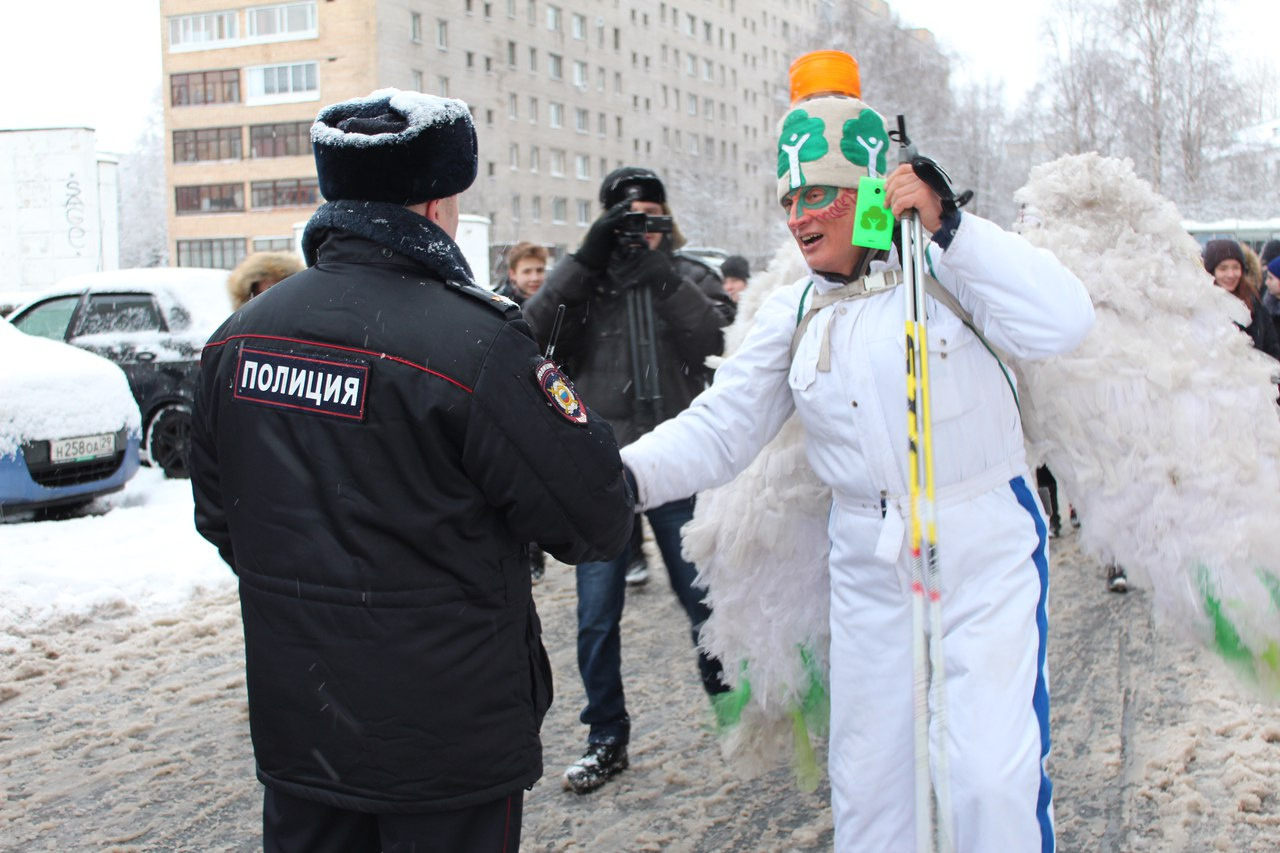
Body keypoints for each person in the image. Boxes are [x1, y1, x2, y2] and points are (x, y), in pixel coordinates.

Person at [619, 51, 1094, 852]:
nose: (799, 218)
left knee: (988, 781)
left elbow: (1064, 321)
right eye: (789, 199)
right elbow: (719, 429)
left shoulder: (950, 266)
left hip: (981, 545)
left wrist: (954, 228)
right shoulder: (796, 308)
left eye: (818, 195)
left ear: (870, 188)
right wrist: (608, 474)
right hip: (869, 565)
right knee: (873, 790)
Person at [189, 89, 634, 853]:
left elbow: (224, 516)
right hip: (445, 742)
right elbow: (595, 516)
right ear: (435, 205)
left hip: (306, 726)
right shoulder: (477, 344)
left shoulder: (239, 340)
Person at [523, 165, 735, 794]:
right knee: (595, 616)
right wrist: (585, 263)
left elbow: (717, 338)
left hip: (676, 466)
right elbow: (532, 332)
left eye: (650, 215)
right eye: (626, 218)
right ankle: (605, 738)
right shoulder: (583, 283)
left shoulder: (688, 274)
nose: (640, 229)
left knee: (704, 602)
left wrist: (665, 278)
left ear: (667, 220)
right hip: (605, 471)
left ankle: (735, 711)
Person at [1202, 239, 1280, 360]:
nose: (1231, 274)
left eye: (1236, 267)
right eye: (1223, 269)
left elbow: (1272, 349)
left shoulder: (1254, 305)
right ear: (1211, 272)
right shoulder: (1201, 306)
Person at [227, 251, 304, 310]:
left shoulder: (307, 327)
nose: (270, 302)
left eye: (279, 293)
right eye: (260, 295)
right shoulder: (240, 329)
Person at [495, 240, 548, 306]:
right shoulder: (498, 305)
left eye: (539, 270)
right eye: (527, 271)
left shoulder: (554, 303)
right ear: (512, 274)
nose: (535, 278)